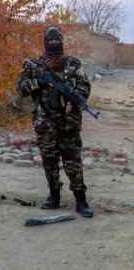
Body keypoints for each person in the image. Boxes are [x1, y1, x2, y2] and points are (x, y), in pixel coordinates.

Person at [16, 26, 94, 218]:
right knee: (49, 162)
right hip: (46, 123)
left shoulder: (73, 64)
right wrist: (39, 82)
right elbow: (21, 87)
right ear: (45, 43)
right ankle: (54, 197)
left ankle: (81, 201)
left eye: (56, 41)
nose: (53, 44)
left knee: (73, 163)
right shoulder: (36, 65)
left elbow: (84, 87)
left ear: (62, 42)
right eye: (50, 41)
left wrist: (74, 101)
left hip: (69, 123)